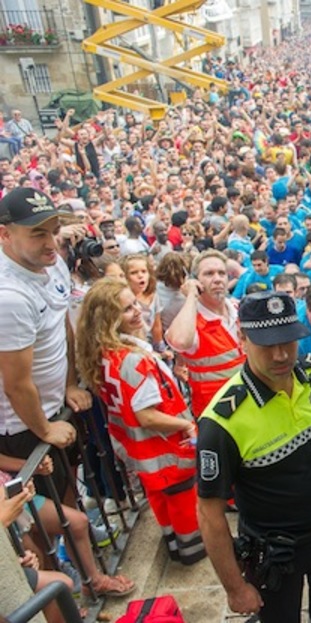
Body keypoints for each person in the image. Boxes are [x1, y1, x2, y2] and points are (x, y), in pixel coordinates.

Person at [197, 291, 311, 622]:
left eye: (288, 340)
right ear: (242, 337)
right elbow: (209, 514)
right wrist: (235, 587)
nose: (281, 354)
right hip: (276, 553)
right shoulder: (221, 422)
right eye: (267, 344)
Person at [75, 277, 204, 564]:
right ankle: (192, 551)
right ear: (108, 319)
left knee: (160, 499)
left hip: (139, 451)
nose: (137, 311)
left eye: (135, 303)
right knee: (182, 502)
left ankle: (174, 546)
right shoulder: (133, 360)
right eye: (126, 309)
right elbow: (146, 415)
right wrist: (185, 425)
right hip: (164, 449)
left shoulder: (104, 353)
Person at [0, 187, 92, 497]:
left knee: (69, 491)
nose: (51, 243)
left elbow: (61, 326)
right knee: (52, 514)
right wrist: (45, 428)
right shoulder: (8, 297)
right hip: (25, 425)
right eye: (38, 234)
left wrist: (69, 386)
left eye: (54, 231)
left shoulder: (49, 263)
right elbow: (16, 384)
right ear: (5, 235)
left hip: (55, 406)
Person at [166, 249, 246, 417]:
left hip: (248, 404)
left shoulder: (238, 309)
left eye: (222, 273)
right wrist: (191, 296)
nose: (217, 279)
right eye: (209, 274)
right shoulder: (192, 320)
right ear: (196, 281)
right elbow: (180, 342)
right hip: (216, 415)